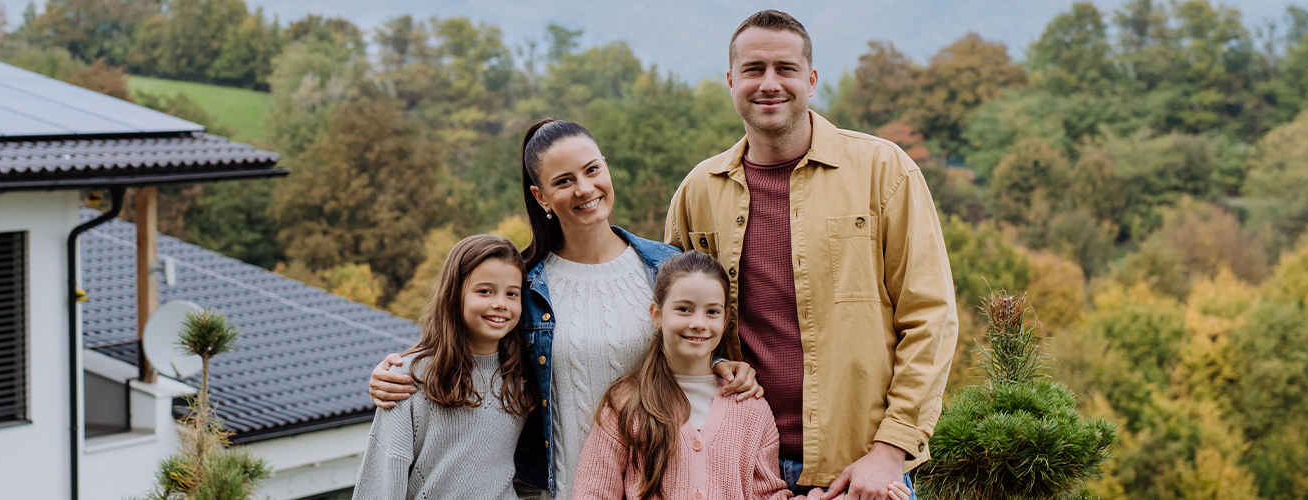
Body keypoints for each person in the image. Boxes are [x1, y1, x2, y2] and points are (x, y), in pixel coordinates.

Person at [370, 119, 763, 498]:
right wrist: (400, 369)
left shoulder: (665, 267)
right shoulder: (525, 287)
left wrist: (724, 366)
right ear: (540, 196)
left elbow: (695, 349)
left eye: (592, 170)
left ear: (606, 167)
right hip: (559, 488)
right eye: (563, 181)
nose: (584, 188)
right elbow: (470, 351)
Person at [662, 9, 958, 500]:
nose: (769, 83)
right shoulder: (699, 190)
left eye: (786, 69)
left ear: (812, 80)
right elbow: (674, 323)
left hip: (858, 468)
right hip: (734, 466)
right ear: (731, 81)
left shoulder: (884, 171)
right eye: (753, 69)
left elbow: (930, 317)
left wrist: (891, 450)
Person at [570, 252, 913, 500]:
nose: (698, 323)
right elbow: (593, 492)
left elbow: (767, 496)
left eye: (711, 312)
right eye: (684, 309)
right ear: (656, 314)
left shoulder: (749, 406)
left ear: (725, 320)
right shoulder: (625, 404)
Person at [354, 234, 538, 500]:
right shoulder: (409, 378)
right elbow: (383, 479)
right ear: (454, 294)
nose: (500, 303)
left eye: (512, 294)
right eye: (484, 291)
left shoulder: (524, 377)